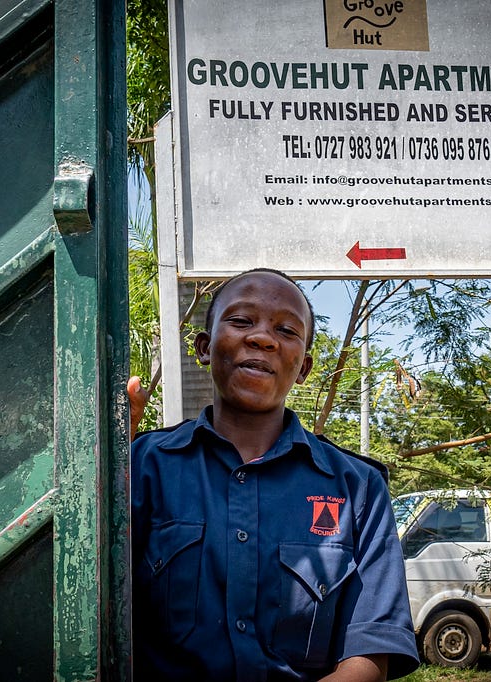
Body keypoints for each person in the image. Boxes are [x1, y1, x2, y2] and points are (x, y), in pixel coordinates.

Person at [128, 268, 419, 681]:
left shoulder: (358, 488)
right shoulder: (140, 465)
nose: (262, 338)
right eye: (242, 321)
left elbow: (370, 655)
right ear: (204, 348)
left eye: (286, 330)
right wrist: (105, 456)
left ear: (303, 368)